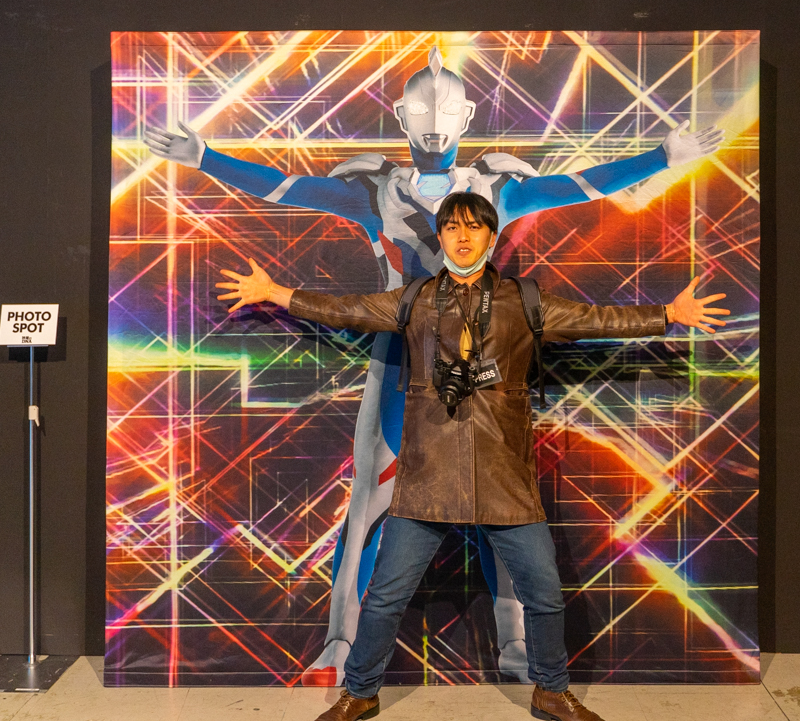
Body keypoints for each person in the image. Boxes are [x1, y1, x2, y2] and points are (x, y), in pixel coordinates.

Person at [147, 46, 725, 685]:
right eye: (421, 110)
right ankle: (343, 643)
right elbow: (290, 190)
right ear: (400, 115)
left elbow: (579, 188)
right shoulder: (376, 191)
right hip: (402, 357)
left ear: (467, 116)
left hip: (486, 361)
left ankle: (514, 641)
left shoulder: (495, 191)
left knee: (503, 499)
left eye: (446, 110)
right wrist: (205, 159)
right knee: (372, 499)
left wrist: (662, 160)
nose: (433, 122)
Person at [216, 191, 729, 721]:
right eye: (452, 227)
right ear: (440, 237)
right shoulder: (414, 300)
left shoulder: (524, 301)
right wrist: (273, 292)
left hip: (503, 474)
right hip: (428, 474)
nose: (463, 237)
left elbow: (595, 319)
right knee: (385, 597)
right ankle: (360, 692)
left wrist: (669, 313)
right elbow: (346, 309)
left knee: (545, 596)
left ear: (491, 235)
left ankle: (551, 691)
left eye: (474, 227)